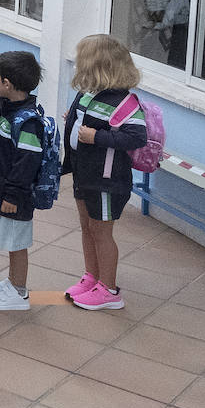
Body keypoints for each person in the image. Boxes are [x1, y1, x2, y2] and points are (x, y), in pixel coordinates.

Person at [60, 35, 148, 311]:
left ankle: (109, 290)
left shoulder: (125, 103)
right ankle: (92, 277)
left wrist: (97, 136)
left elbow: (136, 137)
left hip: (107, 181)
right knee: (87, 227)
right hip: (83, 174)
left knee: (101, 231)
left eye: (82, 61)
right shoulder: (87, 94)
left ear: (99, 66)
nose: (77, 66)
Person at [0, 51, 43, 311]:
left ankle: (19, 291)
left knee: (17, 243)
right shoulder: (11, 109)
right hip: (7, 188)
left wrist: (13, 195)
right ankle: (13, 283)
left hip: (18, 195)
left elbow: (26, 163)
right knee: (13, 241)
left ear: (6, 84)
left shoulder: (28, 123)